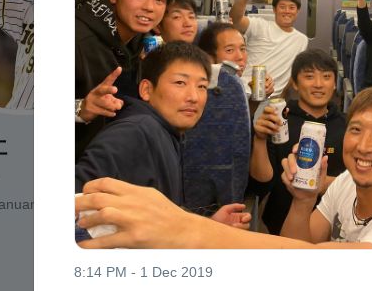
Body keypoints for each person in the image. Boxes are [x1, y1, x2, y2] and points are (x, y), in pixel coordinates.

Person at [75, 87, 372, 248]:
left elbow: (315, 260)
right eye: (356, 130)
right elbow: (295, 246)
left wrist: (185, 228)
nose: (363, 145)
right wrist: (303, 199)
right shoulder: (346, 185)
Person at [74, 42, 249, 229]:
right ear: (146, 90)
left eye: (202, 86)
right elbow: (76, 201)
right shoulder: (134, 132)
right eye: (180, 83)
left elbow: (155, 218)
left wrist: (207, 225)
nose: (194, 97)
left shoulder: (163, 132)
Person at [74, 0, 176, 158]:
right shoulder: (76, 38)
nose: (149, 7)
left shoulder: (140, 42)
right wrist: (80, 109)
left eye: (159, 0)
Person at [248, 50, 346, 235]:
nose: (318, 84)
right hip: (281, 227)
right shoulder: (278, 119)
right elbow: (260, 185)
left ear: (335, 83)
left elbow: (358, 182)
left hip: (336, 227)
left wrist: (323, 184)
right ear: (294, 83)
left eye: (326, 77)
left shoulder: (347, 125)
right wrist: (259, 139)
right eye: (309, 77)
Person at [180, 22, 254, 215]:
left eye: (243, 49)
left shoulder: (240, 87)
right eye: (230, 50)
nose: (240, 56)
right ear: (208, 58)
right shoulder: (202, 95)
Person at [230, 0, 308, 98]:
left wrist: (282, 97)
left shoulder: (301, 40)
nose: (287, 11)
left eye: (292, 8)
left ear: (297, 11)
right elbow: (235, 20)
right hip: (246, 92)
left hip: (274, 99)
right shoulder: (260, 25)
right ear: (274, 10)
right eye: (282, 7)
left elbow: (292, 71)